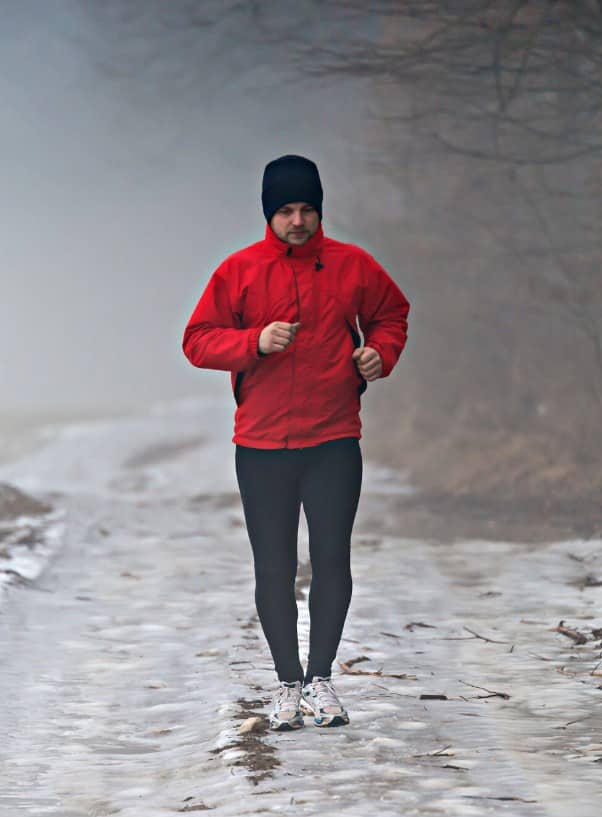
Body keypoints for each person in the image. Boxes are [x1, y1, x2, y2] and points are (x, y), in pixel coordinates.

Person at [182, 154, 410, 730]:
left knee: (333, 558)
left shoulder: (352, 265)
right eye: (286, 210)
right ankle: (287, 684)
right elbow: (198, 340)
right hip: (260, 445)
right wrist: (254, 342)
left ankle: (322, 680)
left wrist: (378, 355)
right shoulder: (239, 271)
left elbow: (392, 314)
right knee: (274, 567)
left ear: (320, 211)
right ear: (270, 213)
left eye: (308, 209)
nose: (298, 220)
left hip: (333, 438)